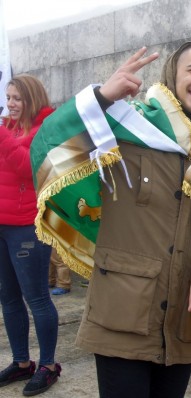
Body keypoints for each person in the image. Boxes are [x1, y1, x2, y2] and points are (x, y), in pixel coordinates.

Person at [31, 41, 191, 398]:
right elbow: (46, 149)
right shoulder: (122, 130)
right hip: (121, 317)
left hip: (180, 321)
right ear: (172, 74)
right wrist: (99, 98)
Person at [0, 74, 61, 396]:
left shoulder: (45, 131)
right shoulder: (9, 129)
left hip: (27, 225)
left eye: (17, 98)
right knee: (8, 299)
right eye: (8, 97)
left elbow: (27, 167)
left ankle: (49, 365)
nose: (10, 104)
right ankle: (22, 362)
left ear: (32, 100)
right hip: (2, 225)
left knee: (36, 297)